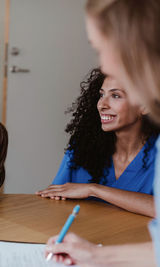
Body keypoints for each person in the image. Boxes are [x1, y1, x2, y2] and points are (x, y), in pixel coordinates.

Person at [45, 0, 160, 266]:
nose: (105, 66)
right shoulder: (85, 146)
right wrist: (95, 255)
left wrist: (94, 190)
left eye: (102, 49)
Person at [36, 68, 159, 217]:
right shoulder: (84, 146)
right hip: (85, 237)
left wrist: (94, 190)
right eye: (102, 95)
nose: (101, 105)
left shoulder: (157, 152)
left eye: (115, 95)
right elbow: (55, 197)